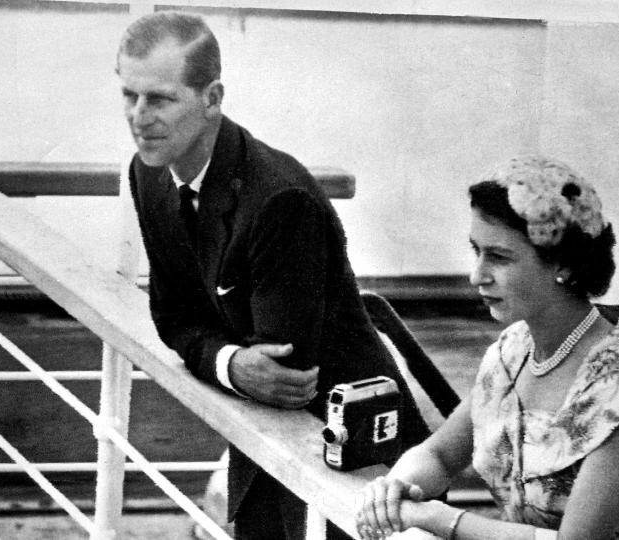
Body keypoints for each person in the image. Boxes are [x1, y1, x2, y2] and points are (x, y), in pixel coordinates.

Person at [116, 11, 430, 540]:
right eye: (130, 95)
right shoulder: (149, 174)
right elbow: (172, 316)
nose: (139, 117)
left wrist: (225, 356)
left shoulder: (277, 200)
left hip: (353, 451)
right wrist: (231, 362)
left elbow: (287, 373)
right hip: (267, 448)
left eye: (161, 99)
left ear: (212, 98)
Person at [356, 155, 619, 539]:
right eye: (476, 251)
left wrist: (434, 518)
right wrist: (394, 488)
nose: (477, 275)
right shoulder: (514, 349)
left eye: (499, 257)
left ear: (563, 265)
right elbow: (440, 455)